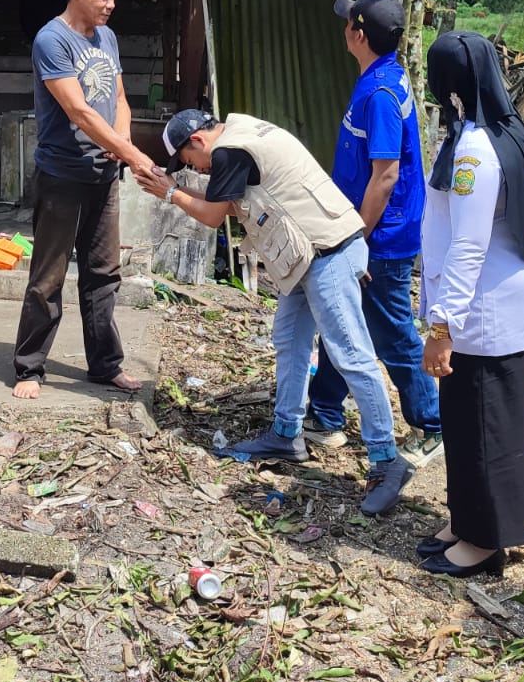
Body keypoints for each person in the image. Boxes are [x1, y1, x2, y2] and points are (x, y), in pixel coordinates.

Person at [137, 110, 416, 515]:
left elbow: (214, 216)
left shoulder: (230, 151)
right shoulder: (240, 134)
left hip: (327, 252)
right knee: (289, 339)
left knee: (351, 355)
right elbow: (233, 205)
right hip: (310, 253)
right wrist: (175, 189)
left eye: (187, 161)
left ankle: (386, 460)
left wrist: (168, 192)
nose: (193, 169)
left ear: (197, 140)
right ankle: (287, 433)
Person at [416, 30, 524, 579]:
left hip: (481, 310)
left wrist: (442, 326)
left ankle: (486, 540)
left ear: (451, 87)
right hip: (492, 302)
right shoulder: (498, 129)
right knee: (469, 425)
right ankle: (466, 518)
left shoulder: (474, 151)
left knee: (487, 429)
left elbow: (468, 244)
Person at [303, 0, 441, 465]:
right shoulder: (383, 77)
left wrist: (358, 238)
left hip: (380, 236)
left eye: (348, 23)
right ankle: (325, 413)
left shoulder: (380, 95)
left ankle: (431, 422)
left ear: (358, 34)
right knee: (341, 317)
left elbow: (386, 175)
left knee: (392, 332)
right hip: (372, 229)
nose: (344, 29)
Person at [12, 0, 158, 400]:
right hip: (63, 174)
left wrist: (122, 141)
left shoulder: (107, 38)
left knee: (103, 273)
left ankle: (105, 365)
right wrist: (132, 154)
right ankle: (29, 367)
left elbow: (117, 98)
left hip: (103, 175)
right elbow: (78, 110)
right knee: (49, 276)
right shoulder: (51, 40)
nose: (111, 5)